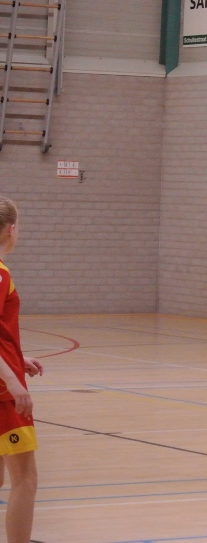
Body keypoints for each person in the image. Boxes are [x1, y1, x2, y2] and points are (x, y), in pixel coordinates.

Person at [0, 196, 44, 543]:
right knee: (25, 479)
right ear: (11, 229)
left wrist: (17, 358)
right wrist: (12, 381)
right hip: (2, 393)